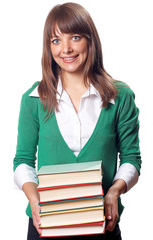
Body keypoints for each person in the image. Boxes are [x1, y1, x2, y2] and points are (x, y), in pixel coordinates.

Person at [13, 2, 141, 240]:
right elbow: (23, 162)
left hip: (102, 224)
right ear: (49, 47)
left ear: (90, 40)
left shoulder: (120, 96)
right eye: (56, 40)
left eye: (75, 37)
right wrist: (34, 199)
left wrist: (113, 192)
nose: (66, 49)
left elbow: (132, 159)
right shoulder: (33, 99)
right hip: (46, 224)